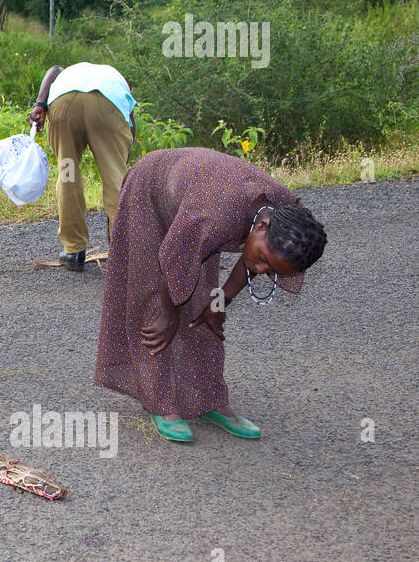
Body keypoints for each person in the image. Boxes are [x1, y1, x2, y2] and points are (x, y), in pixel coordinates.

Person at [94, 147, 327, 442]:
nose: (259, 267)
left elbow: (245, 262)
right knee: (154, 301)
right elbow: (176, 259)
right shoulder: (217, 214)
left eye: (269, 270)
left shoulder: (282, 214)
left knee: (205, 308)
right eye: (262, 259)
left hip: (198, 202)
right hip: (151, 189)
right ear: (260, 227)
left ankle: (208, 398)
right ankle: (162, 402)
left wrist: (221, 302)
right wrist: (169, 314)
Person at [28, 63, 136, 271]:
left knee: (68, 173)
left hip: (64, 104)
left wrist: (40, 103)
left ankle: (74, 251)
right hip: (107, 106)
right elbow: (130, 128)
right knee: (115, 179)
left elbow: (53, 70)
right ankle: (123, 254)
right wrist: (119, 163)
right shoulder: (117, 83)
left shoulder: (69, 72)